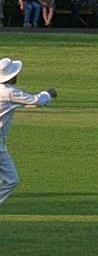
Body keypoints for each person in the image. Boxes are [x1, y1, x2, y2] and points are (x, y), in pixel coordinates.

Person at [1, 56, 57, 206]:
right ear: (11, 76)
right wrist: (49, 93)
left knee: (11, 179)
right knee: (12, 180)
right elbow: (37, 101)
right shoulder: (9, 93)